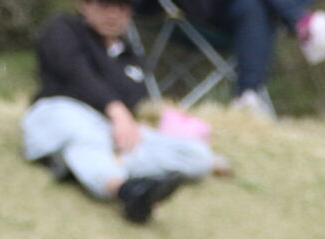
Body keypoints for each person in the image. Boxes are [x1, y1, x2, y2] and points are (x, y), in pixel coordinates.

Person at [23, 0, 218, 224]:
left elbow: (134, 102)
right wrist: (116, 110)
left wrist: (128, 124)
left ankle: (81, 166)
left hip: (111, 133)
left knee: (198, 156)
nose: (114, 13)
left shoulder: (131, 58)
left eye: (122, 6)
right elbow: (77, 74)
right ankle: (127, 192)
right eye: (106, 5)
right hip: (63, 112)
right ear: (84, 5)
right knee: (82, 135)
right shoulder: (63, 28)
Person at [154, 1, 325, 119]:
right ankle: (306, 25)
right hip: (184, 14)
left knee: (253, 7)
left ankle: (247, 97)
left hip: (233, 11)